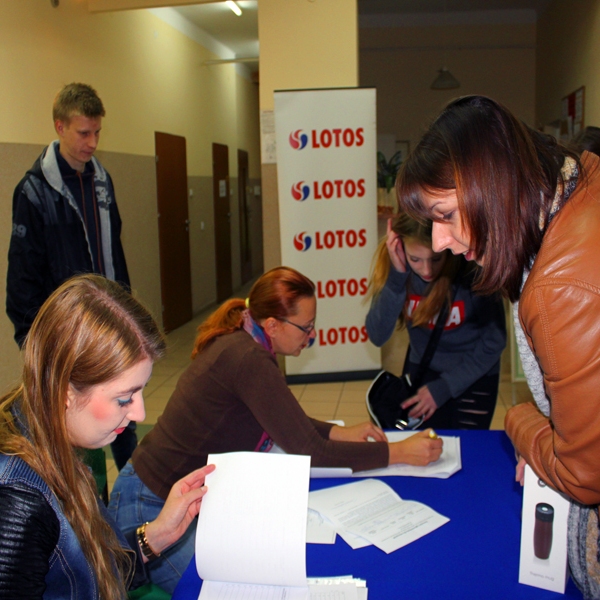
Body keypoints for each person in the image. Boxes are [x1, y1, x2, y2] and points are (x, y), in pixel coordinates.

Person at [108, 266, 443, 592]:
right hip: (148, 506)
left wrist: (340, 432)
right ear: (273, 324)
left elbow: (283, 419)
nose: (312, 336)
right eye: (306, 327)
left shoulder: (244, 342)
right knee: (211, 589)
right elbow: (308, 448)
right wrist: (398, 452)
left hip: (172, 497)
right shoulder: (248, 359)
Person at [395, 94, 600, 597]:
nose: (440, 242)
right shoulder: (580, 179)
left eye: (445, 214)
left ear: (492, 185)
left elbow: (583, 474)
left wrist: (520, 419)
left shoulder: (556, 290)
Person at [0, 274, 215, 600]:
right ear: (65, 390)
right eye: (124, 398)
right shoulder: (17, 501)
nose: (139, 414)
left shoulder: (48, 437)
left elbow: (85, 570)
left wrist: (156, 536)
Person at [6, 82, 135, 470]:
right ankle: (87, 515)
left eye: (97, 132)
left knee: (125, 423)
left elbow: (115, 253)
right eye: (84, 133)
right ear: (60, 127)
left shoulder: (102, 182)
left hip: (108, 327)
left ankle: (138, 498)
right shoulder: (33, 192)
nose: (93, 142)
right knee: (82, 445)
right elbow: (22, 280)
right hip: (68, 338)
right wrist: (37, 347)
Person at [365, 214, 506, 429]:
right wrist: (396, 278)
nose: (426, 271)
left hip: (474, 375)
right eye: (415, 259)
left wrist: (444, 388)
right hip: (423, 370)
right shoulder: (397, 267)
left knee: (466, 451)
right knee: (420, 453)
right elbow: (377, 335)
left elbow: (494, 342)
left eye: (436, 259)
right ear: (399, 245)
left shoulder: (471, 267)